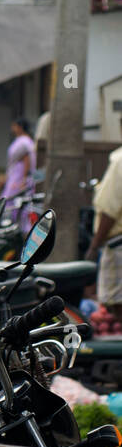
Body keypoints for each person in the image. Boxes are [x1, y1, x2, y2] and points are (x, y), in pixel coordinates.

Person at [86, 121, 122, 315]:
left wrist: (94, 246)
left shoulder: (120, 161)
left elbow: (109, 209)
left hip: (118, 245)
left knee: (116, 305)